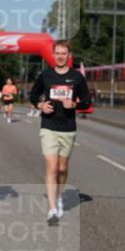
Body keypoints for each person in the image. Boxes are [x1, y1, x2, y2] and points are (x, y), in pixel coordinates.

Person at [29, 40, 91, 224]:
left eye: (64, 53)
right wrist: (40, 104)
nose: (61, 56)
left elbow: (87, 101)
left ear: (68, 55)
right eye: (58, 53)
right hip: (48, 126)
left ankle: (59, 196)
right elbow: (33, 95)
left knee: (62, 169)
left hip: (68, 128)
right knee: (52, 167)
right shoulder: (45, 75)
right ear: (53, 55)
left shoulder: (77, 77)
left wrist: (75, 104)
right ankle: (52, 208)